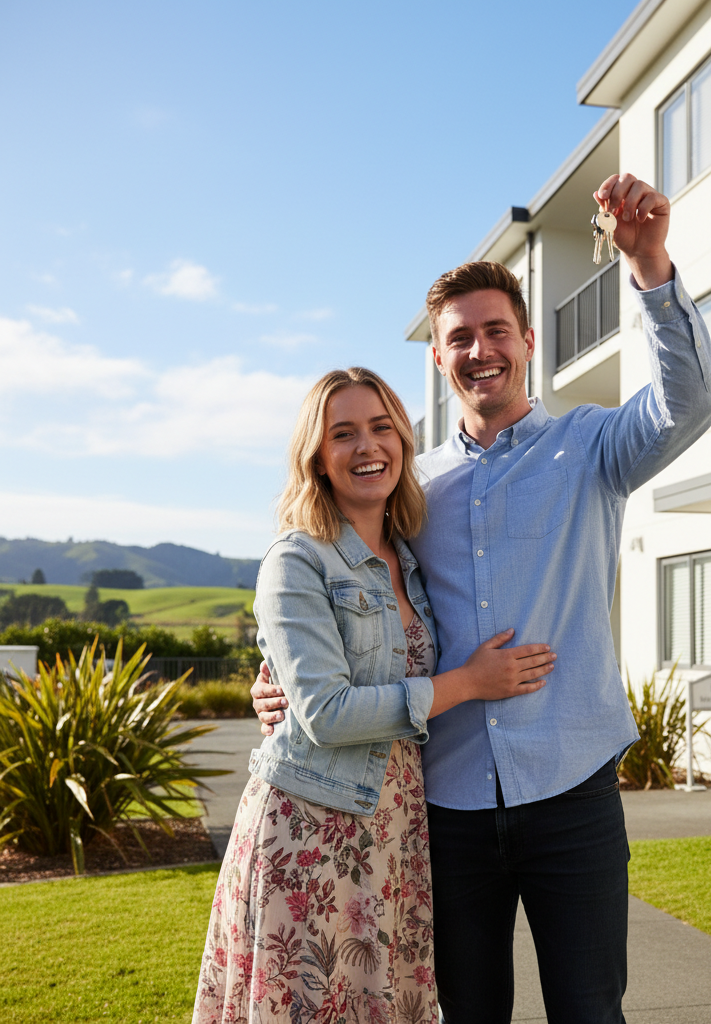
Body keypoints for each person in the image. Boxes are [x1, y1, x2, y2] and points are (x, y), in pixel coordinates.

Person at [253, 173, 711, 1023]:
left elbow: (689, 406)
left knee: (590, 1011)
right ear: (439, 358)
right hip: (445, 804)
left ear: (528, 341)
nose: (480, 351)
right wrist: (281, 682)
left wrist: (649, 264)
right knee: (466, 1013)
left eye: (495, 331)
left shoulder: (593, 448)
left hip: (572, 789)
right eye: (459, 339)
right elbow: (353, 598)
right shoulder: (408, 485)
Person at [194, 367, 555, 1024]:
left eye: (381, 427)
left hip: (395, 836)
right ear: (318, 458)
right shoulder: (297, 560)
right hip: (310, 831)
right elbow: (327, 714)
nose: (367, 447)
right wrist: (468, 683)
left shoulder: (412, 561)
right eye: (344, 433)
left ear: (404, 443)